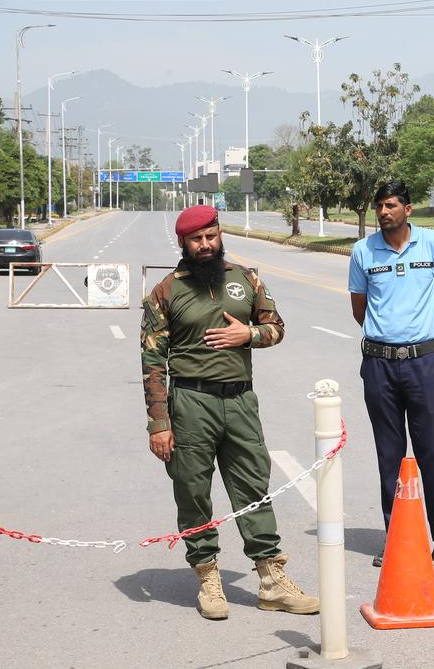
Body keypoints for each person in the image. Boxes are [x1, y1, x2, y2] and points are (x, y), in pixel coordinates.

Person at [141, 205, 319, 620]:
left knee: (253, 488)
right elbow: (152, 363)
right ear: (183, 244)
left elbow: (276, 328)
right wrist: (159, 423)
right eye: (196, 239)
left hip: (240, 401)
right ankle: (208, 578)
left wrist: (248, 334)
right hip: (190, 403)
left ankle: (273, 582)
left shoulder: (245, 279)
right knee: (192, 491)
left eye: (211, 236)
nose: (205, 245)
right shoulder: (167, 291)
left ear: (220, 236)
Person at [349, 181, 434, 569]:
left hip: (422, 365)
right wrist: (389, 338)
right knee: (389, 454)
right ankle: (398, 537)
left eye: (390, 205)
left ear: (408, 208)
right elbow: (360, 308)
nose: (383, 212)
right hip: (379, 365)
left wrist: (420, 334)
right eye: (379, 206)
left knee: (433, 452)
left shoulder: (431, 245)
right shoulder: (362, 251)